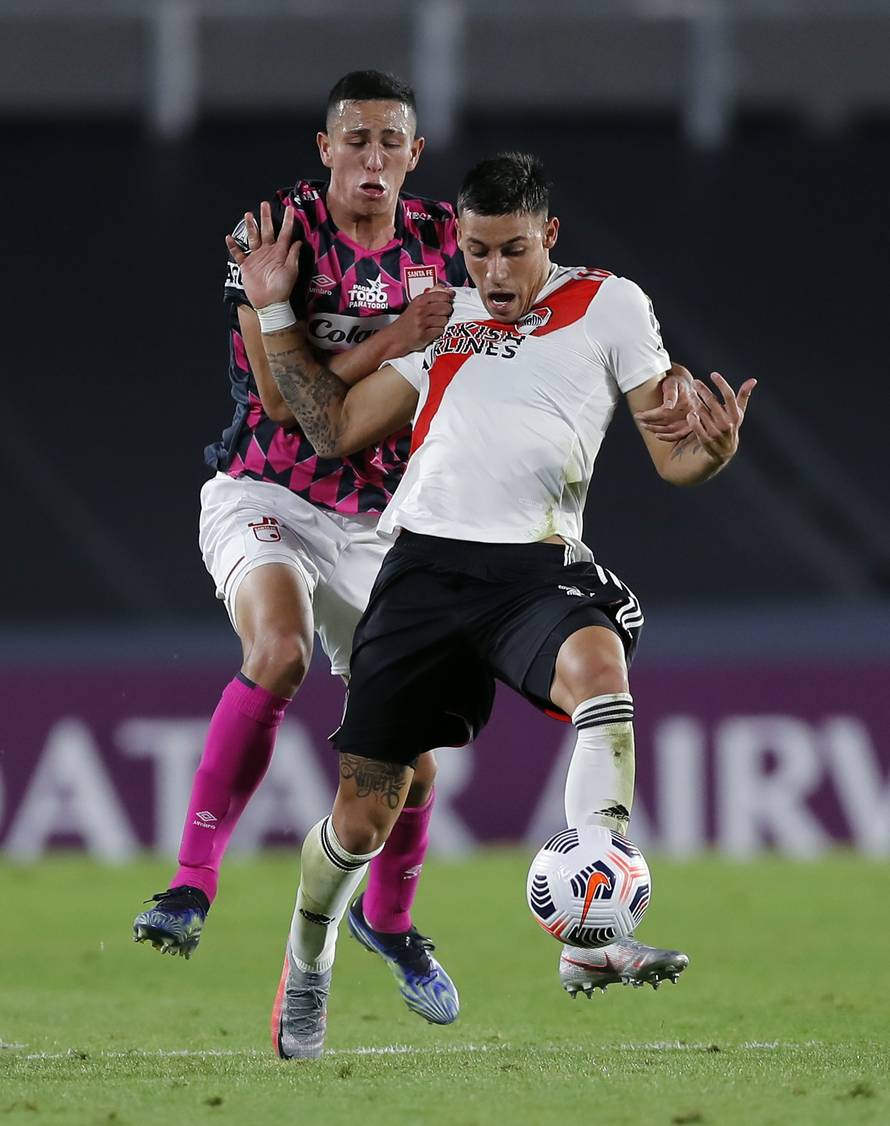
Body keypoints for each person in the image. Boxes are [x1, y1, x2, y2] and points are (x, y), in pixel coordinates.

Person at [227, 151, 756, 1059]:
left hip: (535, 567)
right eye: (476, 252)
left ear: (549, 235)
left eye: (513, 251)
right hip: (424, 570)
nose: (495, 274)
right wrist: (276, 309)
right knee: (361, 820)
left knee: (600, 669)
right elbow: (335, 428)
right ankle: (308, 960)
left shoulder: (612, 306)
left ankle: (592, 939)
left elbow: (675, 454)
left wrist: (712, 452)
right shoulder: (445, 317)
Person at [132, 70, 469, 1026]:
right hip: (265, 490)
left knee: (413, 757)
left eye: (388, 142)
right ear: (324, 149)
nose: (371, 159)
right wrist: (399, 334)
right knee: (275, 653)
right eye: (353, 140)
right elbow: (289, 408)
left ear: (413, 154)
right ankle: (191, 884)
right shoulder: (268, 238)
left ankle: (392, 924)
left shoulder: (448, 242)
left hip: (380, 522)